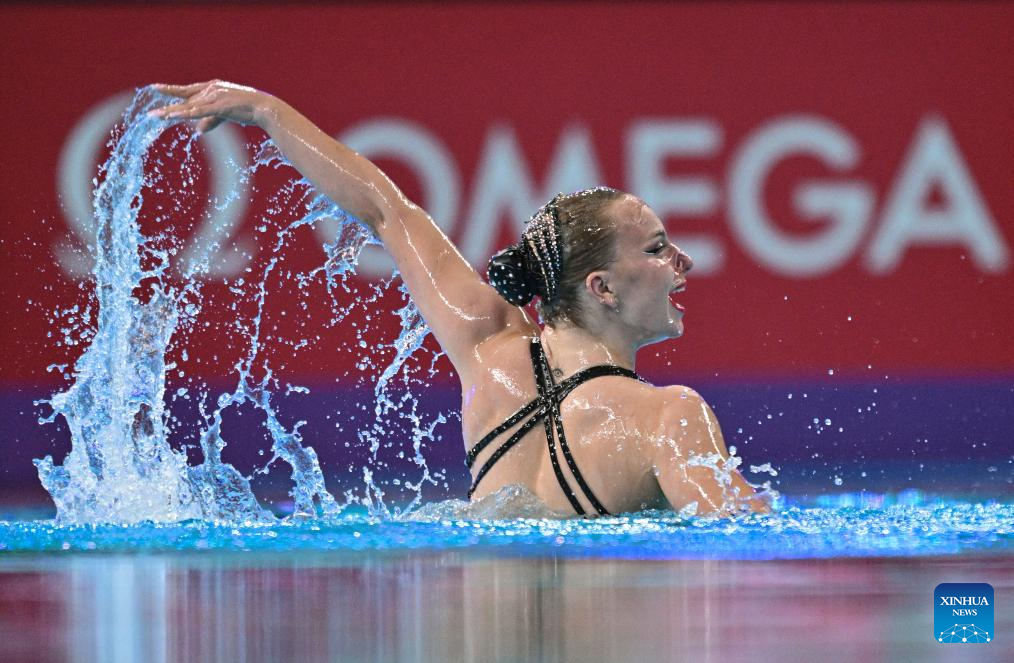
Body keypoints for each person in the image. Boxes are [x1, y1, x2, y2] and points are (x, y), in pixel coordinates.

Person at [150, 80, 768, 516]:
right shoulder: (669, 417)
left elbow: (387, 211)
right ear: (601, 288)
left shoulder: (489, 352)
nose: (683, 260)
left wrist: (264, 110)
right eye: (657, 248)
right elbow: (746, 543)